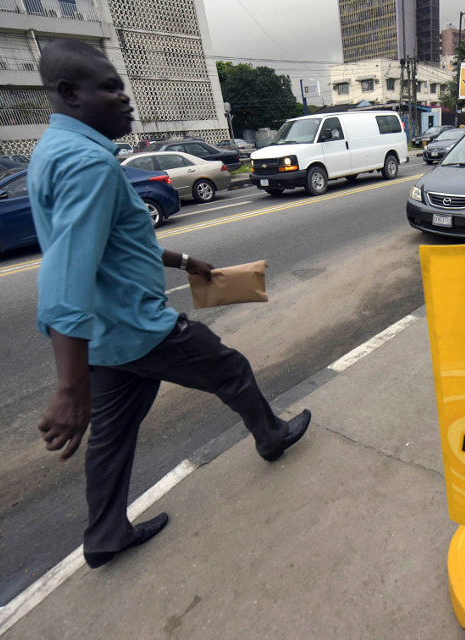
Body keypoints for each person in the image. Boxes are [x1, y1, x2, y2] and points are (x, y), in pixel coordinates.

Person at [28, 39, 310, 569]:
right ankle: (271, 437)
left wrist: (185, 263)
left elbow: (117, 243)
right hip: (138, 328)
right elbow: (64, 280)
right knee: (231, 369)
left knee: (111, 440)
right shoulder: (87, 164)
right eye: (110, 87)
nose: (124, 98)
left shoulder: (54, 151)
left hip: (108, 343)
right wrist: (69, 389)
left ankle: (105, 535)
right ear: (69, 93)